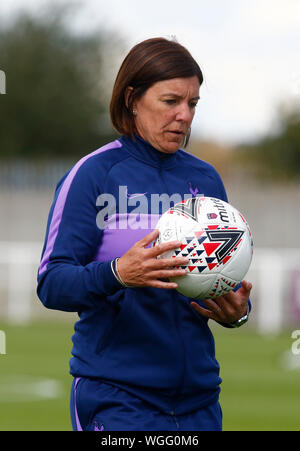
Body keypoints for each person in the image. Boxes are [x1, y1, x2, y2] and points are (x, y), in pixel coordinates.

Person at [37, 37, 252, 431]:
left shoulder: (205, 179)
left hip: (199, 402)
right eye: (171, 102)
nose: (184, 116)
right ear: (132, 99)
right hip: (117, 398)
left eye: (193, 104)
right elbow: (52, 283)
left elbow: (220, 279)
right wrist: (118, 273)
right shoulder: (93, 175)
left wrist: (236, 313)